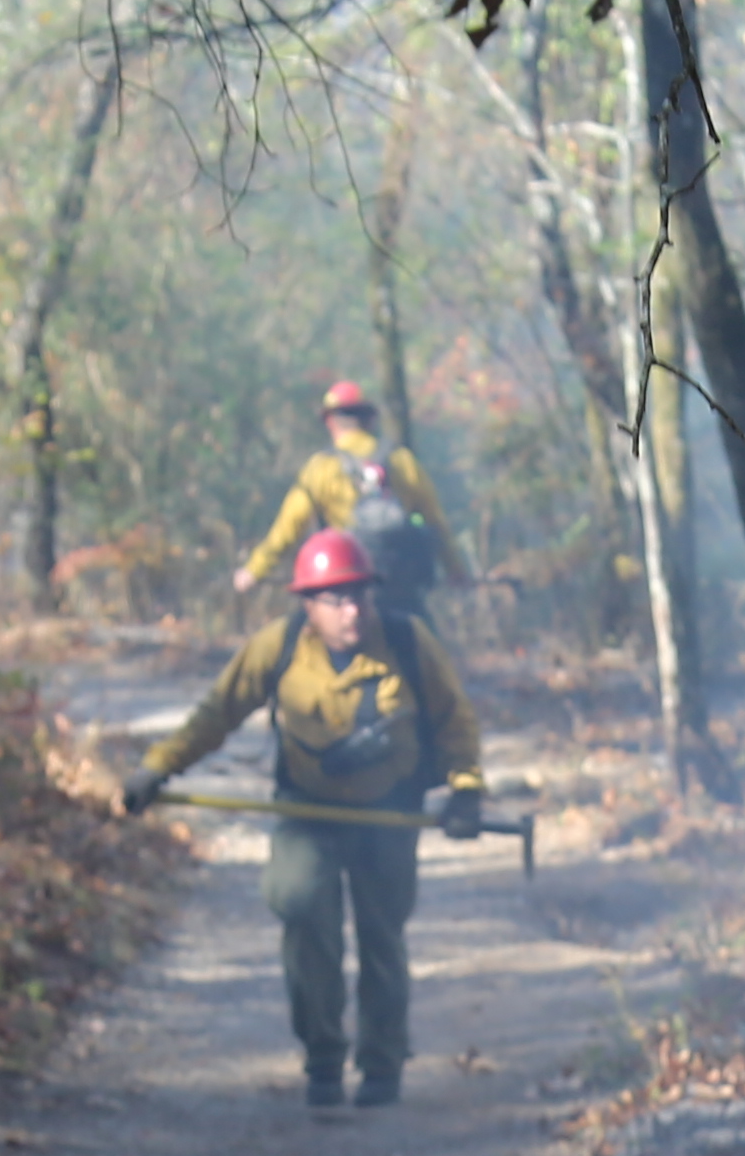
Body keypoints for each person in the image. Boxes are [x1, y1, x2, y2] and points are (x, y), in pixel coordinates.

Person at [122, 530, 487, 1108]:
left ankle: (382, 1065)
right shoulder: (280, 645)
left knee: (382, 936)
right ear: (307, 604)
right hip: (307, 810)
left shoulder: (408, 642)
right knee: (301, 913)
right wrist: (158, 769)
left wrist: (466, 793)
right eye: (336, 598)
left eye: (360, 595)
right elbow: (218, 712)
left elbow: (454, 721)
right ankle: (322, 1059)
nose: (352, 610)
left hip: (389, 812)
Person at [231, 379, 451, 604]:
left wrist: (254, 571)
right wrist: (457, 572)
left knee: (297, 637)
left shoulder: (320, 468)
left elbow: (288, 530)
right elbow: (436, 522)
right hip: (402, 591)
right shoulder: (403, 461)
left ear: (329, 422)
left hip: (347, 596)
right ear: (371, 419)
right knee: (423, 638)